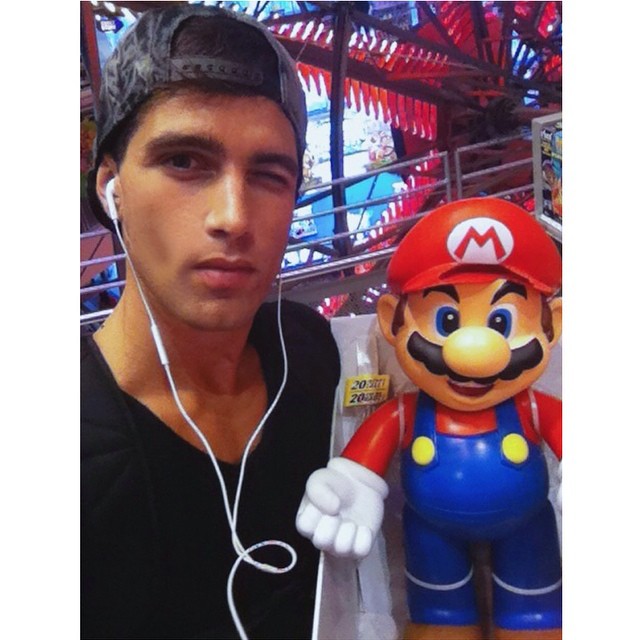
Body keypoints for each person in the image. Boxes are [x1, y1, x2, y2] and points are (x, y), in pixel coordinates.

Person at [81, 5, 340, 639]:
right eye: (184, 161)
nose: (233, 217)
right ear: (111, 188)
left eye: (269, 175)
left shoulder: (311, 355)